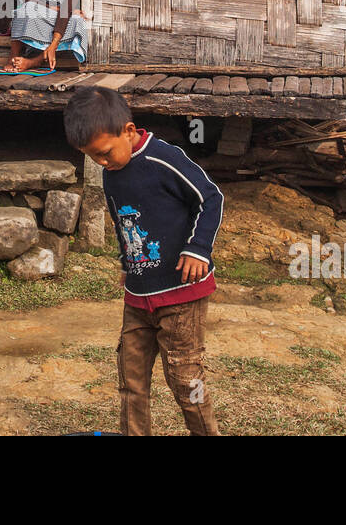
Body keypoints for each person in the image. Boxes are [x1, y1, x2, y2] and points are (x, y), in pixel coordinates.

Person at [64, 86, 222, 436]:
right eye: (93, 158)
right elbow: (124, 222)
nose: (102, 163)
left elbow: (210, 198)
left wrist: (198, 249)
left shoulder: (164, 160)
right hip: (138, 296)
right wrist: (127, 263)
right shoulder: (110, 173)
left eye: (105, 153)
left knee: (184, 378)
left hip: (182, 292)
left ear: (129, 131)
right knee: (130, 376)